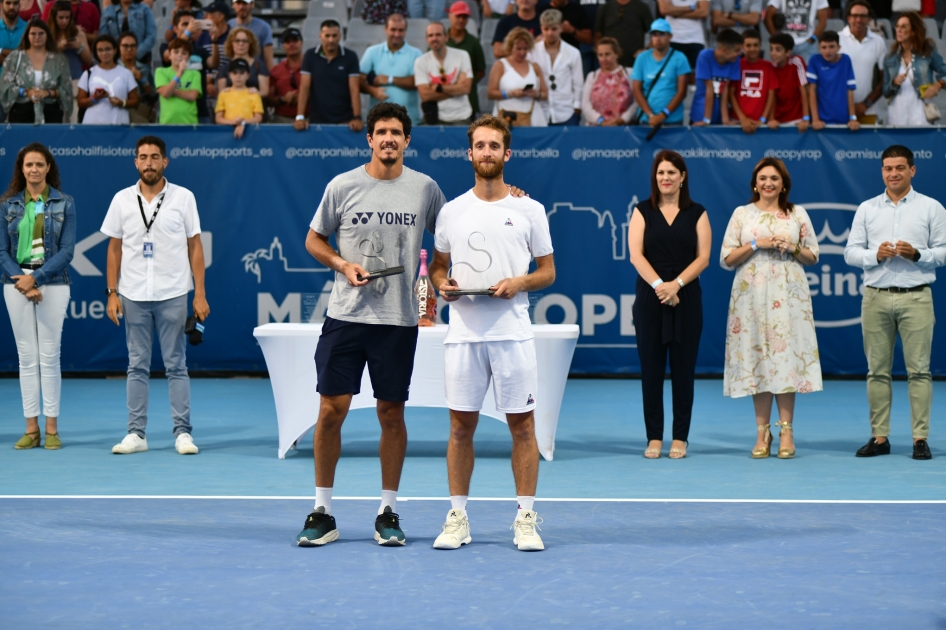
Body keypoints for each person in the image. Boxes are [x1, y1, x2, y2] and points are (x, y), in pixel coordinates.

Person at [293, 103, 447, 548]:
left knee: (391, 414)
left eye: (396, 132)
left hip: (398, 321)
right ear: (369, 139)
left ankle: (388, 510)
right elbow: (313, 238)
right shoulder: (343, 186)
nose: (388, 139)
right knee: (329, 412)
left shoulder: (425, 189)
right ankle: (322, 511)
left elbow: (450, 235)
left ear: (407, 140)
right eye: (381, 132)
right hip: (346, 317)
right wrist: (343, 264)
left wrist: (436, 279)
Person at [428, 115, 555, 551]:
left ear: (506, 153)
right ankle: (458, 517)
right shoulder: (451, 211)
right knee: (460, 428)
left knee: (522, 427)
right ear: (470, 153)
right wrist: (439, 284)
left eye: (493, 146)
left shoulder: (529, 209)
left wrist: (518, 283)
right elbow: (438, 266)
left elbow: (548, 272)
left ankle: (525, 519)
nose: (486, 152)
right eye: (479, 145)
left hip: (512, 333)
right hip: (463, 333)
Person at [102, 135, 209, 456]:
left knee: (177, 365)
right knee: (137, 366)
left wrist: (200, 293)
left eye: (154, 157)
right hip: (133, 293)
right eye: (143, 157)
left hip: (174, 292)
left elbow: (195, 246)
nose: (148, 162)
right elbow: (114, 249)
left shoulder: (184, 197)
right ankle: (136, 434)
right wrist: (112, 292)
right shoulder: (121, 199)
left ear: (165, 162)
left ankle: (183, 434)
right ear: (135, 162)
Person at [844, 146, 946, 460]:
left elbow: (943, 252)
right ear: (882, 171)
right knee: (877, 371)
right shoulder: (867, 208)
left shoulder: (932, 208)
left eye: (900, 167)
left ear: (912, 170)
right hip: (875, 297)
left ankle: (920, 439)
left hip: (916, 296)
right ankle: (880, 438)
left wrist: (918, 255)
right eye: (888, 168)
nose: (894, 173)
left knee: (920, 372)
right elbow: (850, 253)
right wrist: (874, 256)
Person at [720, 157, 821, 459]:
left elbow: (813, 255)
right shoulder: (741, 214)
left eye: (774, 179)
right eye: (763, 178)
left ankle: (786, 430)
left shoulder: (797, 214)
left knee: (784, 358)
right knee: (758, 360)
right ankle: (762, 432)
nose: (768, 183)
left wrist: (792, 248)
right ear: (755, 183)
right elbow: (726, 258)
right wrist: (756, 244)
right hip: (750, 297)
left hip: (789, 296)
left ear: (783, 184)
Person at [628, 150, 710, 460]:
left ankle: (680, 437)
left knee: (683, 371)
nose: (666, 178)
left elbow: (703, 257)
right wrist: (659, 287)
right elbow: (636, 255)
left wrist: (676, 285)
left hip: (686, 298)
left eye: (672, 173)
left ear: (682, 177)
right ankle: (654, 437)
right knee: (650, 371)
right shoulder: (642, 211)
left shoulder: (698, 213)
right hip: (651, 299)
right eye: (661, 173)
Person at [0, 143, 75, 451]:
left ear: (48, 168)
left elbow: (68, 251)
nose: (33, 170)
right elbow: (1, 251)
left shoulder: (65, 203)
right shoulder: (7, 205)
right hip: (15, 284)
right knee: (27, 358)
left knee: (50, 355)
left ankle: (52, 429)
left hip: (54, 284)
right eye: (28, 165)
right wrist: (24, 281)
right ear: (21, 169)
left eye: (39, 165)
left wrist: (37, 278)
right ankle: (31, 429)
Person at [0, 18, 73, 124]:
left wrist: (48, 93)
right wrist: (26, 92)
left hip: (51, 114)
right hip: (21, 113)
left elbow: (66, 89)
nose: (37, 37)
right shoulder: (14, 58)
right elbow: (5, 86)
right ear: (27, 36)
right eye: (33, 34)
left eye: (41, 33)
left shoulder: (59, 60)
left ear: (47, 35)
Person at [294, 19, 361, 131]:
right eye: (327, 35)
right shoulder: (310, 56)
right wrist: (300, 116)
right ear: (320, 36)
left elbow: (354, 89)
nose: (331, 40)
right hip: (317, 122)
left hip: (344, 121)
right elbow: (304, 87)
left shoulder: (351, 56)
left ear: (340, 36)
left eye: (334, 36)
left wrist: (357, 117)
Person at [882, 12, 946, 127]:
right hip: (897, 114)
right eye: (897, 26)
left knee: (922, 144)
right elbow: (885, 92)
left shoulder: (928, 50)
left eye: (904, 26)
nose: (898, 30)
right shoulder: (890, 57)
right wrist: (894, 83)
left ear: (914, 30)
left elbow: (944, 73)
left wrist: (938, 85)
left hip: (920, 112)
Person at [360, 14, 422, 126]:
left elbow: (419, 82)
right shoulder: (372, 52)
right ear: (385, 30)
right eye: (393, 30)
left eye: (401, 30)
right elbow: (358, 80)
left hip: (408, 121)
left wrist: (389, 79)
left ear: (406, 31)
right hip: (377, 121)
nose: (397, 34)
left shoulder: (416, 53)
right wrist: (372, 90)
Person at [631, 18, 691, 127]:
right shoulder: (641, 58)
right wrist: (651, 116)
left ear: (670, 36)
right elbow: (636, 90)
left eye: (662, 34)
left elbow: (682, 92)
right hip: (647, 120)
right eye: (654, 35)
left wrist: (662, 115)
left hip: (673, 121)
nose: (657, 38)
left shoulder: (680, 58)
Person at [488, 27, 549, 127]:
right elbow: (490, 93)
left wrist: (536, 94)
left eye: (525, 49)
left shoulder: (535, 67)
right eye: (519, 49)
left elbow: (545, 94)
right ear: (511, 47)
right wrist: (510, 93)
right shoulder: (500, 65)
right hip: (506, 116)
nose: (522, 53)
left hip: (533, 116)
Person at [532, 9, 584, 125]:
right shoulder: (533, 51)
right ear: (541, 29)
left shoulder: (573, 52)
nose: (550, 33)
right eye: (546, 29)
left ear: (561, 27)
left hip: (567, 111)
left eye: (554, 29)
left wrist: (577, 108)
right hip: (540, 111)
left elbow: (578, 83)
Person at [414, 21, 473, 124]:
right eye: (430, 35)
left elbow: (466, 88)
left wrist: (438, 88)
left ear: (446, 37)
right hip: (435, 117)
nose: (434, 38)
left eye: (438, 35)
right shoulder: (421, 61)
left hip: (462, 117)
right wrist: (456, 87)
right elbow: (425, 95)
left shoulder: (462, 56)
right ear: (426, 39)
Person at [839, 0, 885, 125]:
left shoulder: (878, 41)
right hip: (839, 110)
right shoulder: (837, 40)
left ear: (869, 19)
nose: (858, 20)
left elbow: (884, 78)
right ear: (848, 18)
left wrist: (866, 104)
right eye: (854, 16)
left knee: (868, 145)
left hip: (868, 110)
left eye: (863, 16)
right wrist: (847, 105)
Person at [162, 10, 213, 121]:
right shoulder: (166, 47)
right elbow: (167, 56)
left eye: (191, 24)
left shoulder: (200, 50)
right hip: (173, 114)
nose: (189, 27)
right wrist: (187, 33)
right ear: (175, 28)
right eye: (185, 24)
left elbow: (213, 63)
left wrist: (215, 41)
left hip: (200, 110)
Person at [77, 34, 139, 124]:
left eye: (108, 49)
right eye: (100, 50)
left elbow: (135, 101)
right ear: (96, 53)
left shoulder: (126, 73)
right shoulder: (88, 73)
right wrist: (94, 98)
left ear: (115, 50)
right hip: (92, 125)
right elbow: (80, 102)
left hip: (119, 125)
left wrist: (121, 103)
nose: (104, 53)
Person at [46, 0, 91, 124]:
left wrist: (79, 47)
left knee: (74, 122)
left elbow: (89, 60)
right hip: (52, 84)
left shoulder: (79, 34)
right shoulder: (47, 34)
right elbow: (40, 59)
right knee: (54, 123)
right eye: (61, 18)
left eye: (67, 17)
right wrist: (57, 48)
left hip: (75, 83)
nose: (64, 21)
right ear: (54, 17)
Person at [807, 30, 859, 130]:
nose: (827, 51)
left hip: (843, 120)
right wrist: (815, 119)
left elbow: (850, 90)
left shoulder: (846, 60)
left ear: (838, 47)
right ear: (819, 48)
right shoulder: (814, 60)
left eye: (831, 46)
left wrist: (852, 118)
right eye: (824, 47)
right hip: (820, 121)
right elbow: (811, 90)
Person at [690, 27, 742, 125]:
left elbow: (725, 89)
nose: (739, 54)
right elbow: (709, 88)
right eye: (737, 50)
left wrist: (725, 119)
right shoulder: (705, 56)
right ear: (724, 50)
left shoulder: (734, 60)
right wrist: (706, 120)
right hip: (701, 116)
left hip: (719, 116)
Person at [730, 28, 779, 133]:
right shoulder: (737, 64)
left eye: (755, 45)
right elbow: (731, 94)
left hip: (761, 122)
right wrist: (742, 119)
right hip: (738, 121)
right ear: (742, 47)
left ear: (761, 45)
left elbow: (771, 95)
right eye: (748, 45)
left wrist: (763, 119)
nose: (752, 49)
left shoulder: (768, 66)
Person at [581, 36, 633, 124]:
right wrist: (601, 121)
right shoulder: (592, 76)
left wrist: (622, 119)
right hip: (597, 128)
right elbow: (585, 104)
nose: (604, 59)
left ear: (616, 54)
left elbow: (636, 102)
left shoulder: (629, 73)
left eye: (607, 54)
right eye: (600, 55)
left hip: (623, 127)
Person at [445, 1, 486, 115]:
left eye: (464, 17)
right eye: (458, 16)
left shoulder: (473, 42)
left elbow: (481, 71)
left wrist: (467, 83)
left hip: (469, 98)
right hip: (444, 97)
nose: (461, 20)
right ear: (450, 16)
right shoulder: (440, 40)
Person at [155, 38, 202, 124]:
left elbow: (192, 96)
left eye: (184, 53)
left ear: (188, 57)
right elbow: (166, 94)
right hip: (167, 123)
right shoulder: (161, 71)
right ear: (169, 55)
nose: (180, 55)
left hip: (190, 123)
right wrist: (180, 73)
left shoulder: (195, 74)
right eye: (176, 52)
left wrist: (171, 90)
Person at [768, 32, 810, 130]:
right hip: (777, 121)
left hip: (797, 119)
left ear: (788, 52)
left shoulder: (797, 62)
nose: (773, 53)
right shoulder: (771, 67)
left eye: (778, 50)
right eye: (771, 49)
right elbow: (771, 96)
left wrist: (806, 118)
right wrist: (771, 118)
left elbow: (804, 91)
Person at [593, 0, 652, 68]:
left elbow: (654, 32)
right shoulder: (604, 8)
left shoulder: (642, 7)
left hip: (635, 64)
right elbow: (598, 36)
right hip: (610, 65)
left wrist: (647, 50)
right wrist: (602, 56)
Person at [216, 26, 269, 100]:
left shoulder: (259, 66)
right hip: (232, 108)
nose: (241, 44)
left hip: (254, 108)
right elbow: (221, 94)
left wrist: (252, 94)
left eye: (245, 41)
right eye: (237, 41)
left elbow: (265, 92)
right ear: (231, 43)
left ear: (250, 44)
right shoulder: (225, 68)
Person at [215, 57, 261, 136]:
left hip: (250, 134)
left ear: (248, 75)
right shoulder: (224, 94)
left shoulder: (254, 94)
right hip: (226, 135)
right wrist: (233, 122)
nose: (238, 76)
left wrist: (243, 123)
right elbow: (218, 118)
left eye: (242, 73)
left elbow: (258, 118)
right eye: (235, 73)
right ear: (229, 75)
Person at [658, 0, 709, 72]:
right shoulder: (691, 7)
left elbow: (703, 12)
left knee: (693, 77)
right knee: (670, 75)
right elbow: (664, 9)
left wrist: (674, 12)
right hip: (672, 39)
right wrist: (691, 7)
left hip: (695, 39)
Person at [118, 31, 158, 123]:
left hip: (139, 113)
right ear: (119, 48)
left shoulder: (144, 69)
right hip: (118, 112)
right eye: (125, 46)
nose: (129, 49)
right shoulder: (113, 68)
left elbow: (153, 96)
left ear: (137, 48)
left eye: (132, 46)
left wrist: (142, 79)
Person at [266, 27, 302, 123]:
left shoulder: (312, 67)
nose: (291, 44)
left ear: (302, 43)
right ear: (283, 45)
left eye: (295, 40)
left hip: (308, 119)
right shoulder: (275, 71)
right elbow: (269, 99)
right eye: (287, 42)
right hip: (282, 119)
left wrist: (302, 96)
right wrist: (282, 99)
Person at [0, 0, 27, 122]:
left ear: (20, 6)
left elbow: (29, 58)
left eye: (15, 3)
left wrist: (1, 51)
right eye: (8, 3)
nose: (12, 6)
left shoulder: (29, 29)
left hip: (23, 89)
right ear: (1, 5)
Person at [228, 0, 273, 69]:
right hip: (232, 72)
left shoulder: (263, 27)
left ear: (252, 4)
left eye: (245, 3)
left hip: (256, 72)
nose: (241, 7)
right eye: (238, 3)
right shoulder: (228, 26)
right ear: (233, 5)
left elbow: (268, 60)